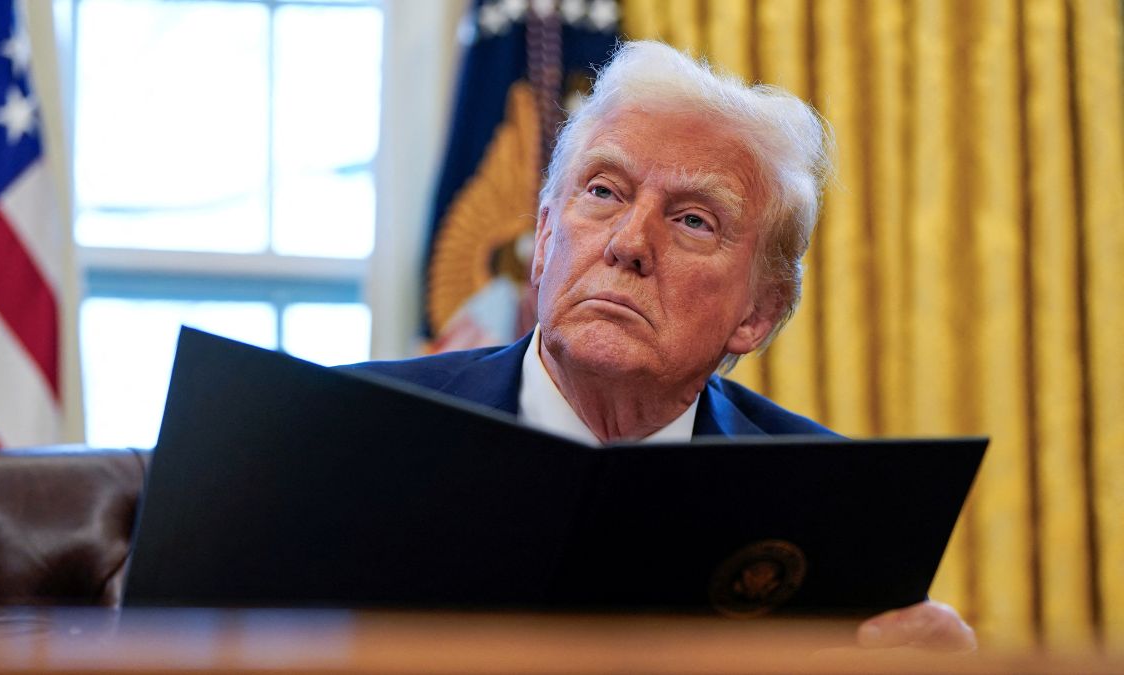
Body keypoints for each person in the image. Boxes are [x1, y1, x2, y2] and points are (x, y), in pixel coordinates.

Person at [349, 40, 975, 651]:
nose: (629, 243)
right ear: (543, 241)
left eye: (693, 220)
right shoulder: (358, 429)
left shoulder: (834, 507)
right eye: (603, 191)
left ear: (759, 313)